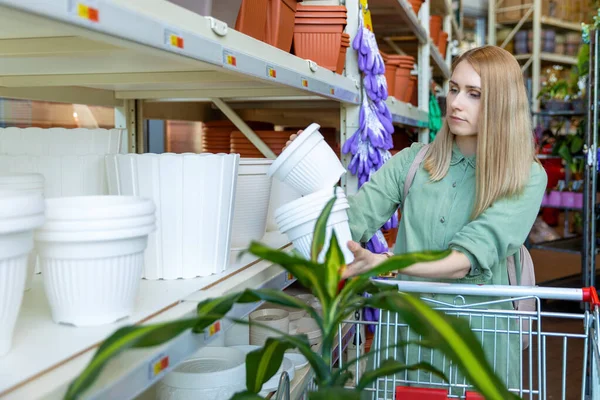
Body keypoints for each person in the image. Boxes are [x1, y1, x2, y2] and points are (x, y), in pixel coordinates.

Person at [285, 45, 547, 395]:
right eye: (454, 88)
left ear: (501, 103)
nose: (455, 103)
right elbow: (353, 223)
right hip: (407, 344)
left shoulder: (525, 177)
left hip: (480, 345)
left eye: (475, 94)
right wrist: (310, 177)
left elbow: (466, 258)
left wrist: (391, 265)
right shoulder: (412, 163)